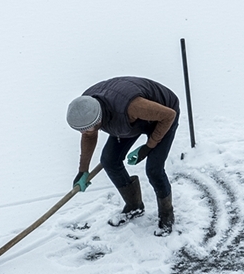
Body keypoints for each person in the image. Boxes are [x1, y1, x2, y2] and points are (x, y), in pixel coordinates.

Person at [67, 76, 180, 236]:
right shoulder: (86, 106)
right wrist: (83, 170)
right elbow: (89, 135)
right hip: (128, 120)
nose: (83, 133)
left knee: (154, 169)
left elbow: (169, 115)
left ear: (98, 121)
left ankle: (167, 215)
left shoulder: (131, 107)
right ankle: (134, 206)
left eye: (85, 129)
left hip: (163, 115)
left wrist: (148, 147)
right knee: (109, 160)